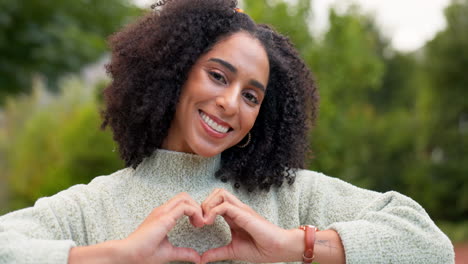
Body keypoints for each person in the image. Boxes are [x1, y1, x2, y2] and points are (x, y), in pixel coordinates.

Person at [0, 0, 455, 263]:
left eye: (252, 96)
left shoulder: (290, 196)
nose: (230, 103)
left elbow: (428, 244)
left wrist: (294, 245)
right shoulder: (91, 207)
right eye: (218, 76)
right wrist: (116, 256)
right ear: (174, 73)